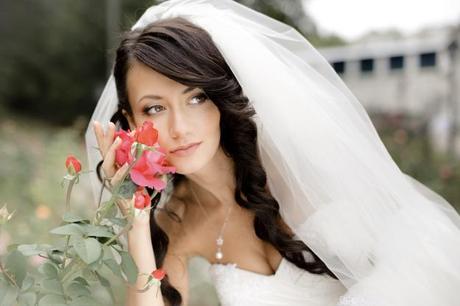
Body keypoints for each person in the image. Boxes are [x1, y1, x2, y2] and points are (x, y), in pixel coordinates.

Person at [86, 1, 460, 306]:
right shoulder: (173, 229)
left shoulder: (302, 168)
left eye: (196, 97)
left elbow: (420, 268)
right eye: (155, 108)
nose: (180, 128)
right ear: (131, 122)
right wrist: (136, 226)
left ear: (220, 97)